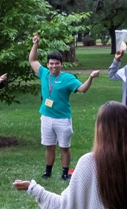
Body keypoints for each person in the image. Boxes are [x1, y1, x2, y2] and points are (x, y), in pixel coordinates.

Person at [28, 33, 99, 183]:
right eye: (51, 63)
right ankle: (48, 172)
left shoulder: (68, 78)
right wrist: (35, 44)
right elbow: (32, 60)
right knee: (49, 146)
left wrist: (90, 78)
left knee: (64, 147)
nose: (53, 66)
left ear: (61, 64)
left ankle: (65, 174)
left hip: (62, 119)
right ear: (47, 64)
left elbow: (82, 89)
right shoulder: (44, 73)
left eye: (56, 63)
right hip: (46, 117)